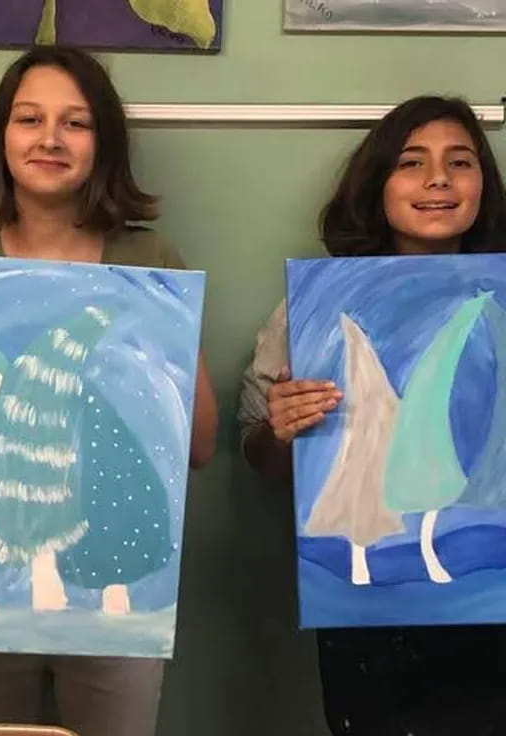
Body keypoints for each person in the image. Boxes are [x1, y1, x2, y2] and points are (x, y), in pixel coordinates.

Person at [0, 45, 218, 736]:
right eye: (29, 118)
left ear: (105, 144)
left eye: (76, 123)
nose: (50, 138)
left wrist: (151, 358)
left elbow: (201, 442)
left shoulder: (150, 262)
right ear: (2, 138)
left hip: (111, 589)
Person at [238, 95, 506, 735]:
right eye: (412, 162)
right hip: (369, 626)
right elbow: (259, 456)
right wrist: (282, 432)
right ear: (378, 184)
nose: (438, 179)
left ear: (482, 186)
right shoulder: (312, 312)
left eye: (459, 162)